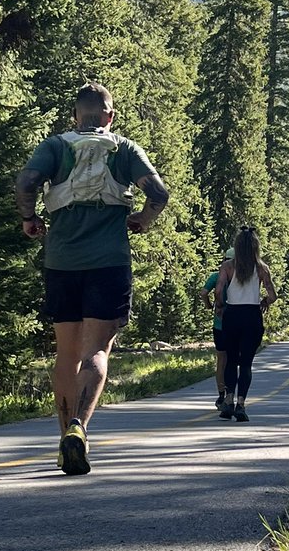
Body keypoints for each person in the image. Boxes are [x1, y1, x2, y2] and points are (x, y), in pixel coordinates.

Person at [16, 82, 169, 474]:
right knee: (97, 351)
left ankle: (64, 434)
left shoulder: (55, 146)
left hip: (62, 262)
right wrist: (144, 219)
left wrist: (30, 218)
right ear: (109, 117)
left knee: (65, 353)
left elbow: (27, 183)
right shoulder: (125, 149)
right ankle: (80, 429)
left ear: (75, 116)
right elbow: (158, 192)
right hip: (108, 263)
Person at [213, 227, 277, 422]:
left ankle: (229, 400)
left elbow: (217, 291)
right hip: (252, 316)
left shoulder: (228, 267)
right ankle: (241, 404)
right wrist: (264, 301)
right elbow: (273, 296)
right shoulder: (261, 268)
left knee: (231, 360)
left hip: (232, 315)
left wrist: (221, 305)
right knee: (247, 363)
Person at [200, 247, 235, 409]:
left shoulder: (216, 276)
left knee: (221, 359)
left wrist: (208, 306)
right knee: (233, 360)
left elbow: (203, 293)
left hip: (219, 324)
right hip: (235, 323)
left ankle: (221, 395)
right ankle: (231, 394)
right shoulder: (239, 278)